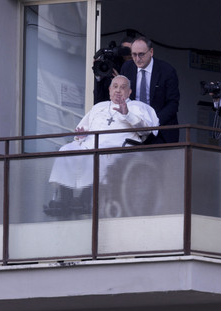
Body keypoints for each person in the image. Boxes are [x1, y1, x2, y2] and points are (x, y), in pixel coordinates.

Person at [46, 75, 159, 216]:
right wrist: (81, 136)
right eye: (115, 87)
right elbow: (81, 130)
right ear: (109, 90)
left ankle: (84, 199)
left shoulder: (137, 107)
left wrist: (127, 114)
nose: (118, 90)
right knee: (66, 150)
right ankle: (65, 198)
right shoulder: (99, 107)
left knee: (94, 157)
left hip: (116, 151)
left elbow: (146, 131)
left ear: (129, 92)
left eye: (123, 87)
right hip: (89, 145)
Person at [121, 36, 180, 143]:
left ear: (151, 52)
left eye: (141, 54)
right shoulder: (127, 68)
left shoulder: (167, 71)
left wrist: (152, 123)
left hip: (161, 129)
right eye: (134, 54)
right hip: (134, 129)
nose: (137, 59)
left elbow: (173, 103)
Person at [93, 36, 134, 104]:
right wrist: (98, 76)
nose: (129, 54)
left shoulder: (138, 70)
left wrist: (120, 79)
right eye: (125, 51)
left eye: (131, 51)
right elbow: (98, 100)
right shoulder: (112, 67)